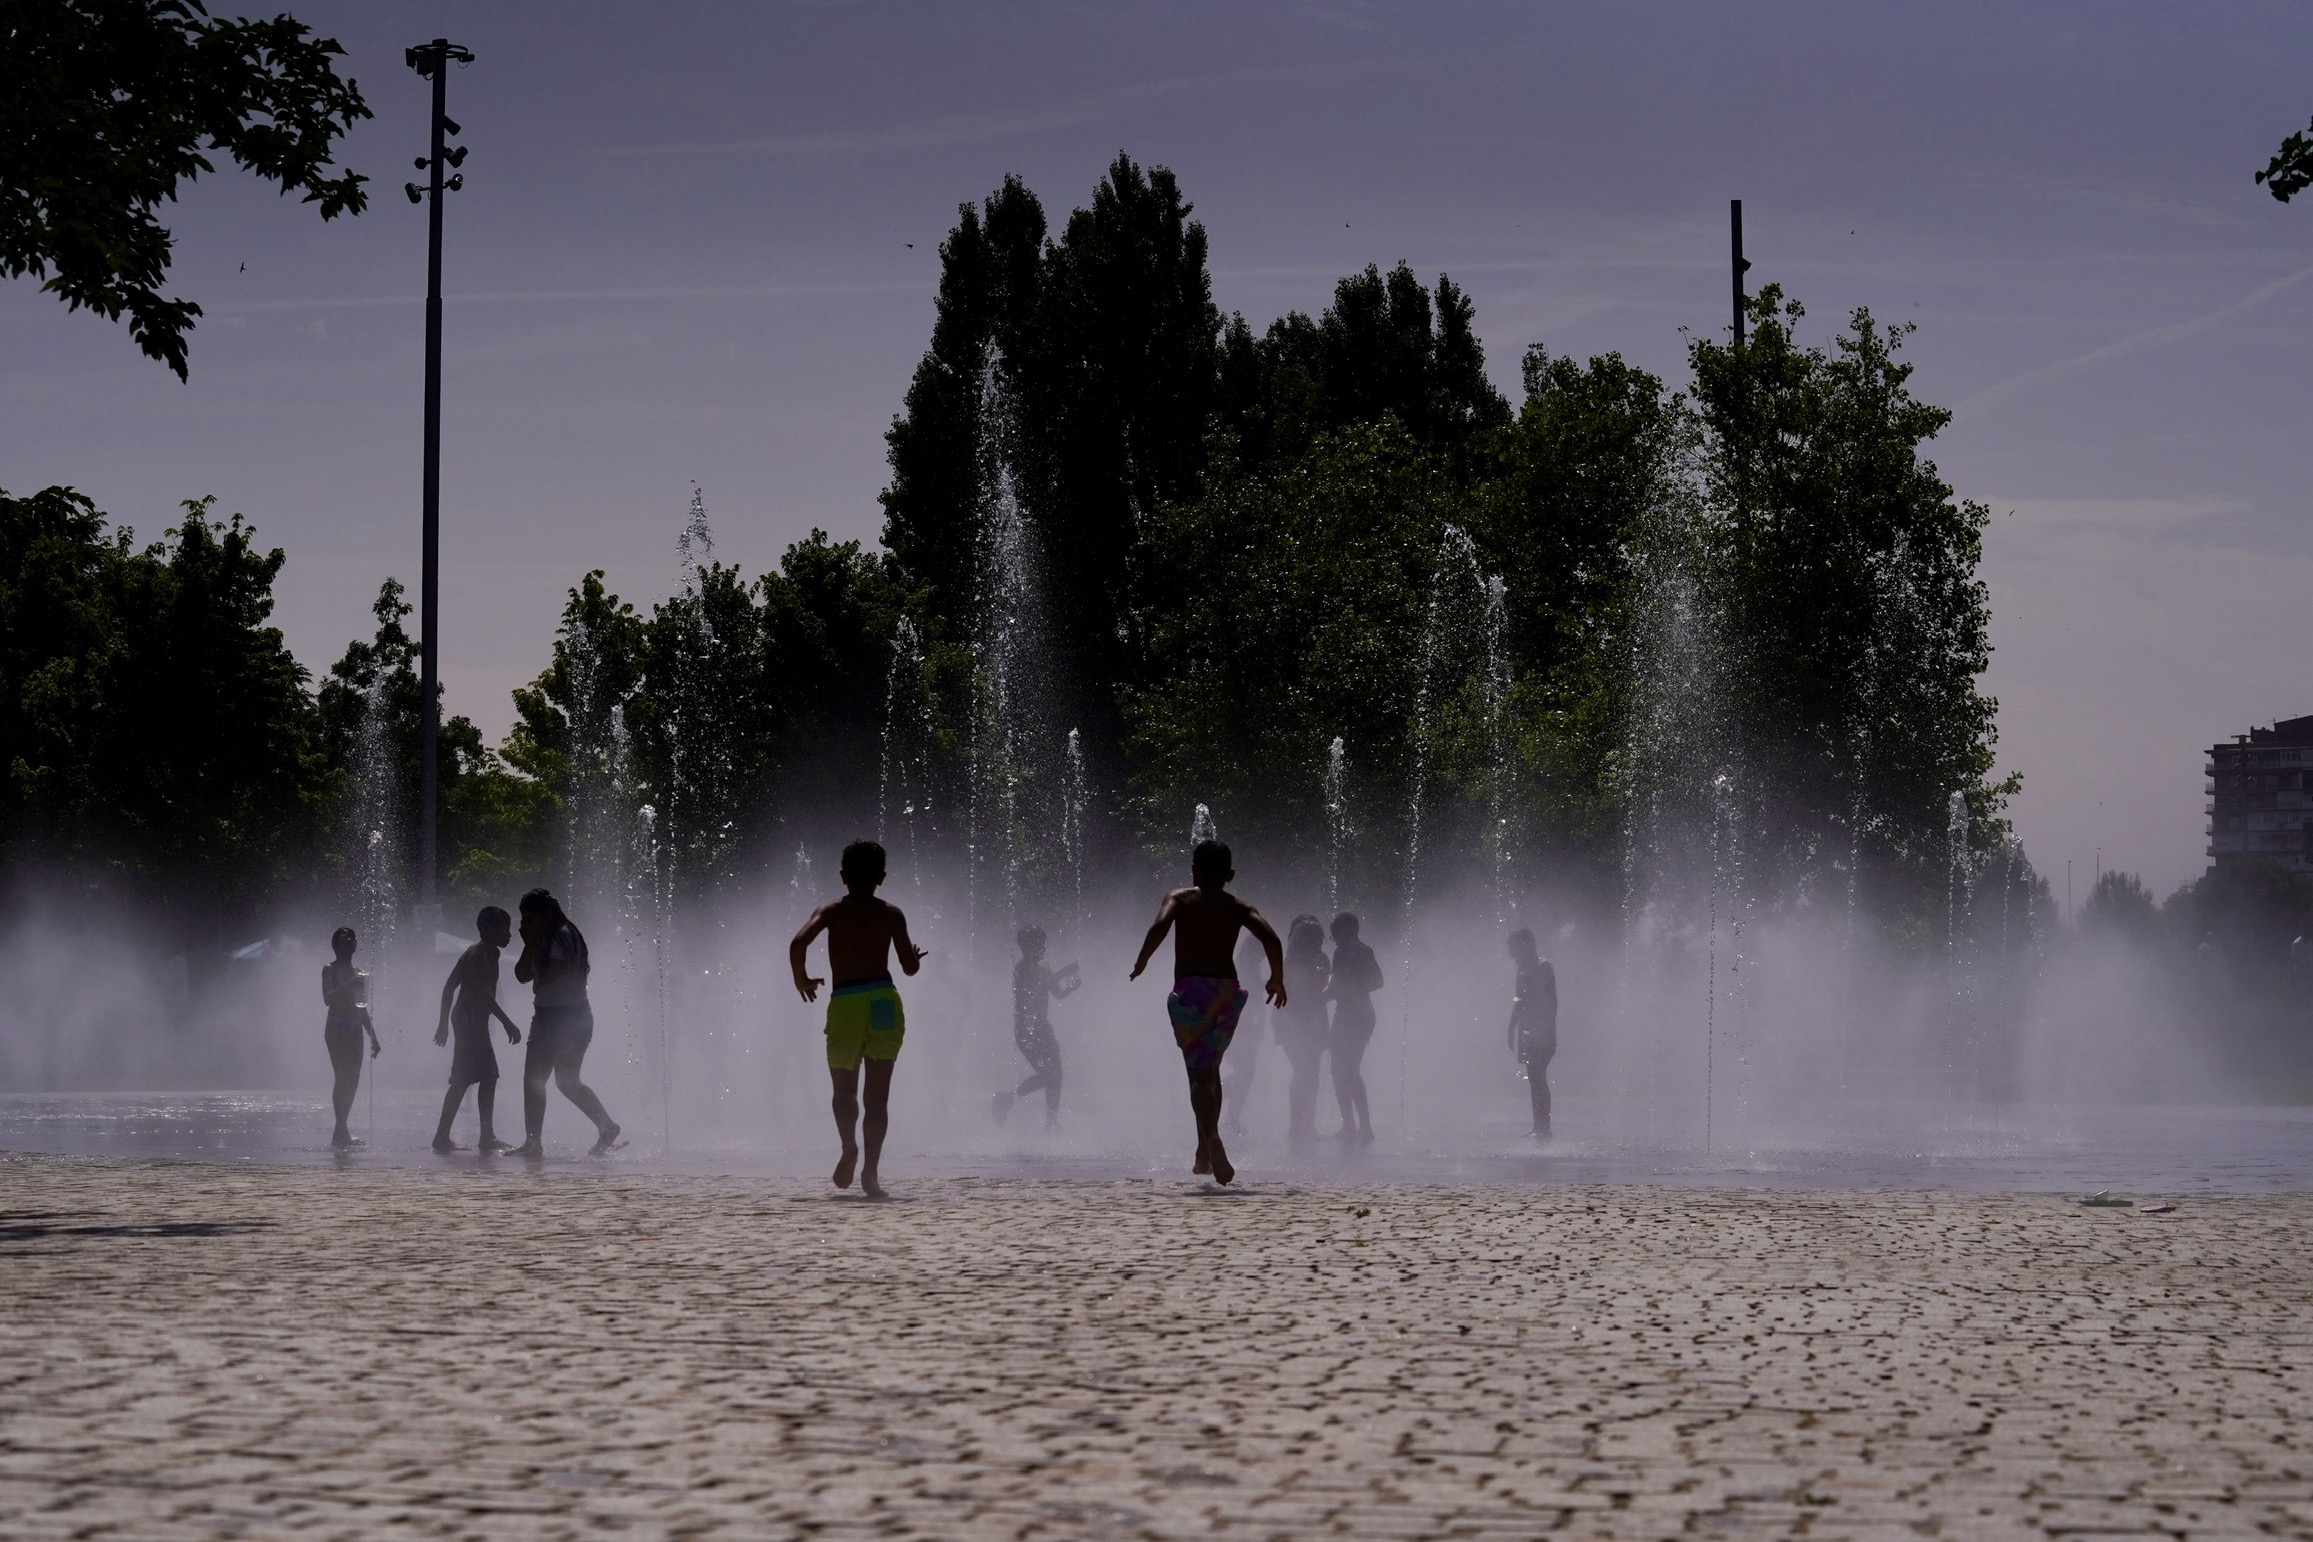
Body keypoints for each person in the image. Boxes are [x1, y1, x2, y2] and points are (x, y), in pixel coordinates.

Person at [1128, 839, 1285, 1186]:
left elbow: (1159, 926)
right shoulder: (1239, 906)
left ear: (1194, 872)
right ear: (1230, 875)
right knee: (1211, 1070)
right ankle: (1202, 1152)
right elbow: (1272, 939)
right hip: (1227, 994)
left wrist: (1143, 960)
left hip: (1192, 994)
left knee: (1198, 1076)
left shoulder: (1180, 898)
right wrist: (1277, 978)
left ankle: (1212, 1137)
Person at [790, 840, 925, 1197]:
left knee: (844, 1090)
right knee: (877, 1099)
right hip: (883, 998)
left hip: (846, 1000)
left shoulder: (831, 911)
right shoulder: (891, 914)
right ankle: (871, 1174)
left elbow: (798, 943)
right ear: (881, 878)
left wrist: (801, 979)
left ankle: (849, 1145)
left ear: (843, 876)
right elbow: (909, 968)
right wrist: (914, 958)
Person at [510, 889, 623, 1158]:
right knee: (553, 1081)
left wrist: (533, 944)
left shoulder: (562, 935)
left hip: (566, 1018)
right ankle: (605, 1127)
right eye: (523, 920)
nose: (526, 925)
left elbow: (550, 976)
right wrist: (529, 945)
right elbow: (521, 975)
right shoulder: (543, 938)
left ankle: (535, 1142)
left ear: (547, 915)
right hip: (553, 1016)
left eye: (531, 919)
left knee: (547, 1080)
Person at [430, 905, 523, 1154]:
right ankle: (477, 1137)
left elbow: (449, 987)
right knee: (481, 1077)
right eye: (505, 929)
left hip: (465, 1019)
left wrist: (444, 1023)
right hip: (471, 1021)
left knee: (472, 1078)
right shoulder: (488, 953)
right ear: (490, 930)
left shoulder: (471, 951)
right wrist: (507, 1022)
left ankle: (457, 1136)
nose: (510, 935)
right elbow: (483, 994)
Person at [995, 926, 1079, 1128]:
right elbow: (1036, 989)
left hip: (1042, 1027)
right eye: (1039, 944)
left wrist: (1070, 988)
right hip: (1027, 1029)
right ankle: (1007, 1098)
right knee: (1049, 1074)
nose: (1043, 948)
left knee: (1056, 1074)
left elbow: (1056, 994)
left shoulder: (1043, 966)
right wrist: (1063, 972)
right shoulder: (1022, 969)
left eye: (1043, 944)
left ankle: (1051, 1122)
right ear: (1025, 946)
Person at [1326, 912, 1383, 1147]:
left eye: (1336, 934)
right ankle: (1352, 1125)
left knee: (1347, 1070)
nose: (1335, 940)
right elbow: (1335, 985)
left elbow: (1377, 981)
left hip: (1358, 1015)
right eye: (1333, 935)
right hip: (1349, 1014)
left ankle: (1363, 1126)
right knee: (1340, 1070)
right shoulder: (1345, 952)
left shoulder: (1359, 951)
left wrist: (1353, 988)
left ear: (1350, 931)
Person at [1275, 914, 1333, 1147]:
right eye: (1315, 940)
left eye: (1320, 941)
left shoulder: (1318, 959)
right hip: (1296, 1021)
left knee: (1311, 1074)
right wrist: (1278, 1024)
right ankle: (1296, 1126)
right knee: (1302, 1072)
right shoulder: (1289, 964)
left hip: (1313, 1021)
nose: (1319, 945)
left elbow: (1322, 986)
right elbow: (1284, 994)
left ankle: (1307, 1124)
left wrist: (1324, 972)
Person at [321, 926, 381, 1149]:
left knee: (353, 1080)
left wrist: (373, 1036)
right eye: (345, 938)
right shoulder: (330, 969)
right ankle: (340, 1130)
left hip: (355, 1028)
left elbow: (361, 1007)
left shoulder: (359, 973)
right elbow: (327, 999)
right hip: (336, 1027)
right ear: (336, 945)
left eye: (353, 938)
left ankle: (342, 1128)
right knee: (342, 1077)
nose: (350, 941)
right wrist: (348, 984)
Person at [1506, 928, 1559, 1140]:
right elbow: (1519, 999)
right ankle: (1539, 1127)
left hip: (1541, 1032)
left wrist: (1546, 1029)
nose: (1511, 954)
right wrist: (1511, 1027)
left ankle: (1544, 1128)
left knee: (1539, 1077)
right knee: (1534, 1079)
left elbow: (1552, 1002)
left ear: (1527, 944)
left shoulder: (1543, 967)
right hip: (1527, 1031)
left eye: (1513, 948)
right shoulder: (1522, 969)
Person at [1220, 930, 1270, 1137]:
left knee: (1246, 1074)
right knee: (1245, 1073)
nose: (1262, 959)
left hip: (1248, 1028)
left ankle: (1230, 1117)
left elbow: (1256, 1000)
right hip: (1236, 1027)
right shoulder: (1236, 967)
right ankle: (1215, 1097)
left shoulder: (1252, 968)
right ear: (1250, 950)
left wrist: (1260, 1026)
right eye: (1259, 954)